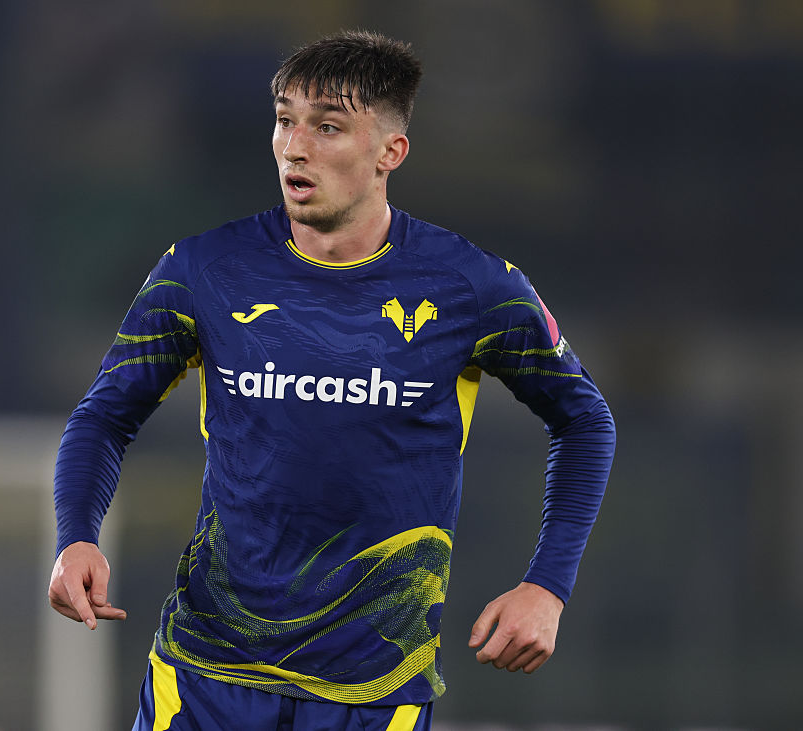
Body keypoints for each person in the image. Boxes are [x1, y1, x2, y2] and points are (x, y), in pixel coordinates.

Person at [48, 30, 616, 731]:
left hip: (375, 693)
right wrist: (76, 533)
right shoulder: (203, 270)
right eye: (285, 119)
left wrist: (548, 587)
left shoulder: (471, 287)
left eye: (327, 127)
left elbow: (585, 419)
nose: (295, 145)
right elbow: (105, 414)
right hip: (206, 679)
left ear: (390, 152)